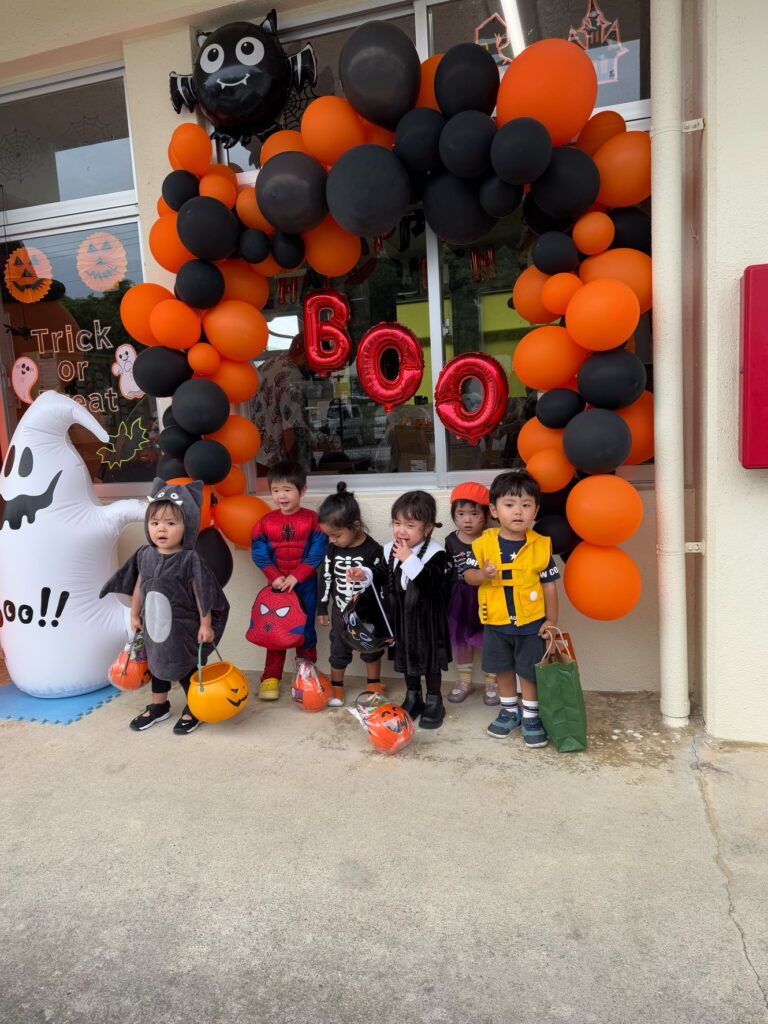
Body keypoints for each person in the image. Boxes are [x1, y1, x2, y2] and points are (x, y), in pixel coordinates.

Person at [100, 478, 229, 735]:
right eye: (155, 522)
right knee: (157, 664)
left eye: (171, 523)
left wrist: (205, 624)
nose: (161, 529)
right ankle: (159, 705)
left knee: (185, 666)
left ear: (187, 524)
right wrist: (134, 614)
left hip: (183, 628)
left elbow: (202, 593)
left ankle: (195, 707)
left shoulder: (189, 559)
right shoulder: (144, 555)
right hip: (153, 625)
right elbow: (139, 587)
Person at [464, 470, 560, 749]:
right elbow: (468, 577)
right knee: (502, 670)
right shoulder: (483, 544)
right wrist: (483, 575)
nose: (518, 511)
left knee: (529, 671)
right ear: (494, 510)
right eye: (509, 504)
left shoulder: (540, 546)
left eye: (526, 505)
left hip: (531, 624)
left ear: (536, 511)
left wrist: (551, 620)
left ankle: (530, 715)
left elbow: (549, 586)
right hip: (495, 622)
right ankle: (509, 711)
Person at [350, 491, 451, 730]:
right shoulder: (389, 550)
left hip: (427, 620)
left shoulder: (437, 553)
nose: (401, 531)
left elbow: (432, 585)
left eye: (410, 525)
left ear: (427, 528)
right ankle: (413, 695)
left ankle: (434, 700)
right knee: (406, 657)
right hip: (402, 618)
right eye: (397, 523)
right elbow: (381, 575)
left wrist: (409, 559)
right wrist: (363, 574)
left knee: (430, 661)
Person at [249, 460, 327, 700]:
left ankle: (305, 675)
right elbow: (259, 553)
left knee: (305, 630)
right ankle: (270, 677)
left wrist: (297, 575)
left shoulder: (314, 520)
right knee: (274, 630)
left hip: (306, 585)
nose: (281, 496)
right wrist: (275, 577)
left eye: (287, 489)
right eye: (275, 490)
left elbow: (318, 551)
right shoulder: (264, 522)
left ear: (302, 490)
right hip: (277, 587)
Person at [317, 482, 386, 707]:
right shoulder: (332, 549)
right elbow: (325, 577)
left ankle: (374, 685)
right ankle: (337, 688)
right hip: (340, 612)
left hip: (366, 613)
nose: (331, 540)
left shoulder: (373, 549)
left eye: (336, 535)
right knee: (338, 648)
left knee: (371, 649)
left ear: (355, 526)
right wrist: (322, 607)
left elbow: (382, 578)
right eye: (328, 536)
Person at [444, 482, 499, 706]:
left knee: (491, 639)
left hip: (488, 595)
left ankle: (492, 682)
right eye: (461, 513)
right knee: (462, 641)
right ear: (454, 515)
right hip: (460, 599)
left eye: (474, 514)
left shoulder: (492, 538)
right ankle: (465, 681)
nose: (467, 519)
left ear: (486, 515)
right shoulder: (451, 540)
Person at [251, 333, 311, 476]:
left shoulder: (270, 363)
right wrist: (301, 469)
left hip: (255, 456)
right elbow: (290, 431)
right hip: (275, 465)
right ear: (306, 357)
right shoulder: (293, 381)